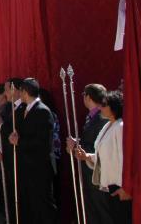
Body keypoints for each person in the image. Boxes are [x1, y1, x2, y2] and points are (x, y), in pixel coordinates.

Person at [75, 90, 131, 223]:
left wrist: (125, 187)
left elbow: (124, 158)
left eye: (105, 104)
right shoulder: (107, 125)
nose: (101, 107)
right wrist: (87, 156)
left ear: (113, 107)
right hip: (108, 185)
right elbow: (104, 156)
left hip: (119, 186)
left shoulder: (120, 127)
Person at [8, 77, 57, 224]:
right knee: (31, 206)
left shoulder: (42, 111)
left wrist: (20, 141)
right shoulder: (24, 109)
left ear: (25, 92)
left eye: (20, 91)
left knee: (43, 205)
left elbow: (42, 142)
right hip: (26, 166)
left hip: (39, 167)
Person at [67, 83, 111, 224]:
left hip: (98, 174)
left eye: (84, 95)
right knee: (92, 210)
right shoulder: (92, 117)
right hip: (90, 173)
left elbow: (99, 146)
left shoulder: (102, 118)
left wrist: (76, 146)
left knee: (101, 212)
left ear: (89, 97)